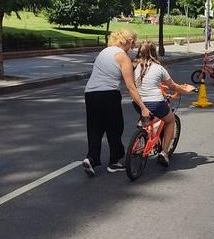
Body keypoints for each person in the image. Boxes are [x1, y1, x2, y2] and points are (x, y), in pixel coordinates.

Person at [82, 29, 151, 177]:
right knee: (115, 127)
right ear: (128, 41)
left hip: (90, 93)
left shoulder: (104, 52)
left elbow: (112, 69)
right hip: (108, 94)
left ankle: (91, 158)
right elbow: (131, 87)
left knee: (95, 128)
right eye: (133, 42)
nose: (133, 46)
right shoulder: (123, 57)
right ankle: (114, 161)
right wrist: (143, 107)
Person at [133, 41, 195, 167]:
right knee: (170, 120)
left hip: (137, 102)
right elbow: (172, 85)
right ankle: (164, 152)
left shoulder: (136, 67)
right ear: (154, 52)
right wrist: (186, 89)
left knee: (145, 118)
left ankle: (141, 140)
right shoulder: (159, 68)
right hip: (155, 103)